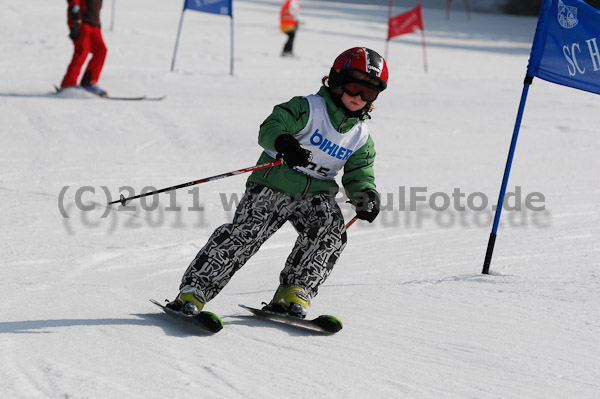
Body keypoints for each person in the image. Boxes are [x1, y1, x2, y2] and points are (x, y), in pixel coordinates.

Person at [167, 47, 389, 319]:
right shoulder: (308, 107)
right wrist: (284, 142)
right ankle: (194, 291)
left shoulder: (360, 136)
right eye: (355, 87)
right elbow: (272, 125)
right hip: (274, 183)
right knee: (247, 234)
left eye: (369, 93)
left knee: (330, 232)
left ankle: (294, 291)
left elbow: (359, 172)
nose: (359, 98)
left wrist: (365, 194)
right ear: (336, 81)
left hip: (316, 193)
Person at [60, 0, 107, 96]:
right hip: (81, 22)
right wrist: (76, 20)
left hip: (93, 24)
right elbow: (73, 2)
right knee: (82, 51)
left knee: (101, 50)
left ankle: (88, 82)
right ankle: (68, 83)